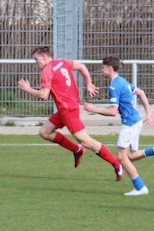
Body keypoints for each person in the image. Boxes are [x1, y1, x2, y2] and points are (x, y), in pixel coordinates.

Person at [18, 46, 124, 180]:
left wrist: (28, 89)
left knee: (86, 140)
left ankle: (117, 164)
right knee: (45, 132)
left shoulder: (47, 70)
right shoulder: (62, 62)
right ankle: (76, 149)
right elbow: (82, 67)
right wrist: (88, 83)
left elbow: (44, 95)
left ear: (44, 57)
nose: (35, 62)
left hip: (68, 110)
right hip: (66, 109)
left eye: (36, 59)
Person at [83, 55, 154, 196]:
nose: (101, 70)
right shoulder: (122, 81)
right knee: (129, 156)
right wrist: (148, 112)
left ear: (110, 68)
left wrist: (94, 109)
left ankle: (140, 187)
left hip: (129, 124)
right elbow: (141, 92)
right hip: (136, 121)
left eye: (103, 67)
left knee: (121, 158)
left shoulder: (114, 86)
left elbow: (113, 112)